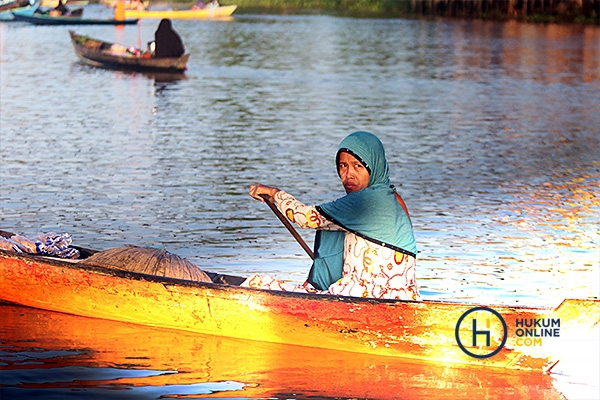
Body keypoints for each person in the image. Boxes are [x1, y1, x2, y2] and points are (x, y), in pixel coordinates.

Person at [243, 131, 420, 301]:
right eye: (343, 166)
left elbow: (306, 218)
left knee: (256, 283)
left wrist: (274, 194)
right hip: (401, 297)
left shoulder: (368, 200)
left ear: (374, 167)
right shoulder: (394, 198)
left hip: (368, 297)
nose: (348, 175)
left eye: (358, 166)